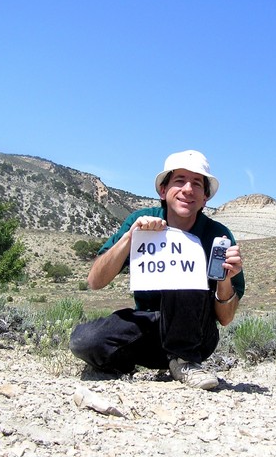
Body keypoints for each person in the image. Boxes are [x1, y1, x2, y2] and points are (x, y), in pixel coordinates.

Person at [69, 150, 245, 390]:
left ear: (205, 197)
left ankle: (185, 361)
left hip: (197, 336)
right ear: (163, 190)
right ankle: (134, 363)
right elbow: (95, 281)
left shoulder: (218, 236)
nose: (187, 189)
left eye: (196, 183)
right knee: (85, 341)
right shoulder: (141, 221)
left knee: (182, 275)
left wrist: (225, 278)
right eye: (179, 180)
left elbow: (225, 319)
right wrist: (131, 238)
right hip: (150, 326)